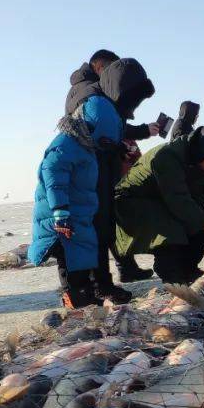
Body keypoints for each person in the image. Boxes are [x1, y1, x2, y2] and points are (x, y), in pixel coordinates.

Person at [114, 120, 204, 284]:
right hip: (132, 202)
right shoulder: (167, 156)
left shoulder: (202, 160)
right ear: (203, 149)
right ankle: (171, 273)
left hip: (163, 200)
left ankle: (188, 268)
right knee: (174, 228)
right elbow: (178, 201)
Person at [28, 77, 129, 309]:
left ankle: (87, 295)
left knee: (83, 258)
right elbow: (54, 178)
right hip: (62, 217)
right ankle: (73, 300)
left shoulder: (86, 145)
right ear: (89, 126)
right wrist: (60, 211)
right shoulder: (65, 145)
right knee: (69, 260)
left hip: (81, 215)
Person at [65, 58, 156, 303]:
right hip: (90, 175)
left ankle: (99, 284)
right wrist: (114, 149)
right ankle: (97, 286)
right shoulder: (96, 101)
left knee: (102, 226)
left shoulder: (102, 101)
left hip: (98, 171)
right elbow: (93, 141)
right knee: (97, 228)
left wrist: (117, 150)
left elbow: (101, 139)